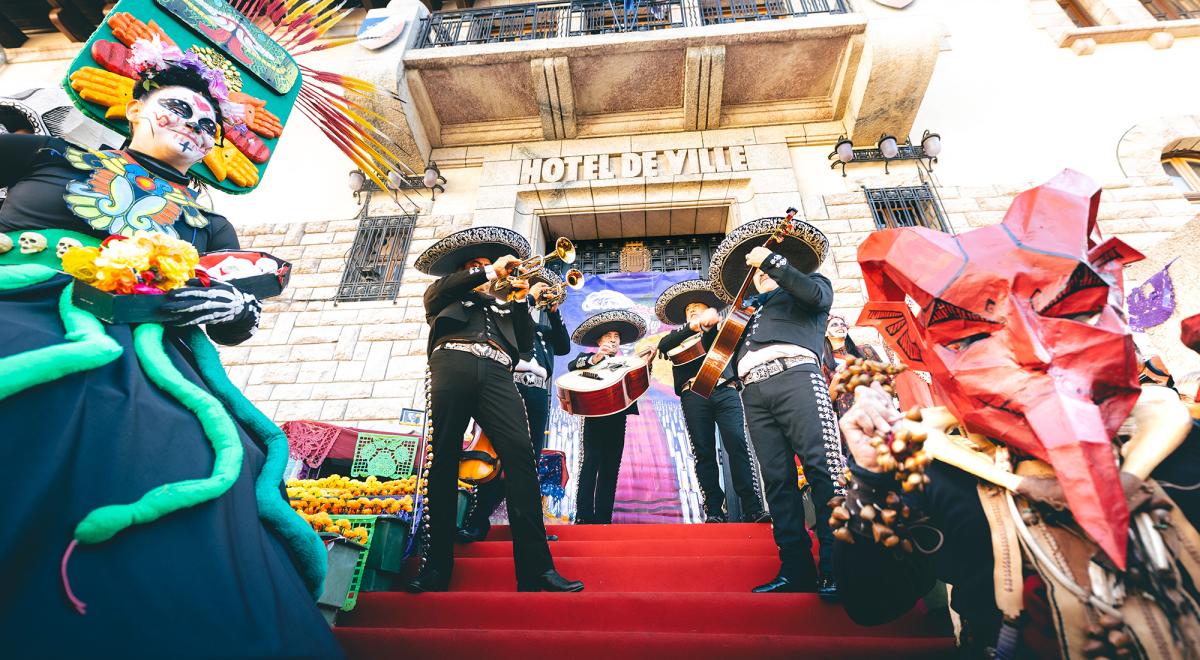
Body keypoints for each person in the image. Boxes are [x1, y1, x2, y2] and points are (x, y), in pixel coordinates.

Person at [0, 41, 338, 656]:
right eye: (178, 109)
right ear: (134, 108)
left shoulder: (209, 226)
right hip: (20, 304)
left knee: (180, 449)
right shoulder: (51, 153)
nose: (194, 128)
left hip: (146, 354)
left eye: (209, 126)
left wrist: (239, 305)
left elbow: (234, 322)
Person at [838, 169, 1200, 657]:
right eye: (969, 336)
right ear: (918, 350)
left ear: (1114, 294)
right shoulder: (939, 478)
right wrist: (869, 477)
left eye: (1068, 309)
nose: (1034, 351)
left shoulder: (1184, 438)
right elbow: (873, 604)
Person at [410, 226, 583, 593]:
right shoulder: (445, 296)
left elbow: (522, 346)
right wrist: (490, 270)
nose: (489, 270)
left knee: (521, 456)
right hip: (451, 363)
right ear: (464, 272)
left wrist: (520, 300)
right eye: (476, 265)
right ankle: (436, 568)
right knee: (443, 460)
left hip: (497, 372)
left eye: (490, 264)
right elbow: (438, 291)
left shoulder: (505, 304)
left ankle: (536, 570)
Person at [706, 215, 841, 598]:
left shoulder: (810, 285)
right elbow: (723, 359)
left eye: (770, 269)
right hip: (754, 392)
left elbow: (817, 298)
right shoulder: (748, 312)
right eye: (761, 271)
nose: (762, 275)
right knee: (778, 482)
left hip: (796, 377)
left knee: (822, 469)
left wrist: (771, 260)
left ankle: (835, 566)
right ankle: (795, 568)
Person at [458, 269, 571, 543]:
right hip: (509, 388)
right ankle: (477, 521)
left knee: (527, 464)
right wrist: (526, 297)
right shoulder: (502, 318)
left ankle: (529, 527)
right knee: (497, 459)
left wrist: (554, 311)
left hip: (536, 395)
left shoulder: (543, 330)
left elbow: (564, 346)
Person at [654, 278, 765, 523]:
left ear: (709, 311)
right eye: (688, 310)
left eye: (698, 307)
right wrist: (691, 328)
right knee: (703, 450)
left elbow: (716, 343)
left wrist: (709, 327)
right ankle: (714, 509)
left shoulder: (723, 330)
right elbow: (663, 346)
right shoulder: (677, 338)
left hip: (725, 390)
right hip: (693, 394)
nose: (693, 311)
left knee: (737, 444)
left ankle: (752, 507)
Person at [567, 309, 652, 525]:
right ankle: (583, 515)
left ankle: (603, 518)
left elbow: (638, 382)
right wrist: (597, 357)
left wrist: (646, 362)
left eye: (616, 337)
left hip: (617, 416)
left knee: (611, 466)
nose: (613, 340)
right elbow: (571, 366)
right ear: (598, 340)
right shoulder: (587, 358)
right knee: (591, 462)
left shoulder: (627, 362)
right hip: (594, 416)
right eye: (608, 337)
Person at [823, 315, 883, 416]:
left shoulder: (865, 350)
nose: (840, 326)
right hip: (849, 414)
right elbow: (827, 400)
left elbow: (885, 375)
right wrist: (837, 378)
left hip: (875, 405)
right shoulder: (824, 363)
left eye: (842, 324)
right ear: (825, 333)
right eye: (834, 325)